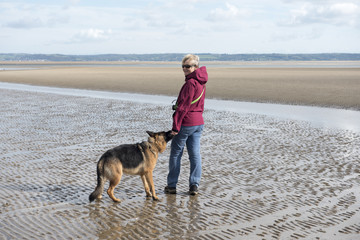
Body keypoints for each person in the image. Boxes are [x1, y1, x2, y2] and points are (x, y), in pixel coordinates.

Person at [165, 54, 208, 195]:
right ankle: (194, 185)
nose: (185, 68)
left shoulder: (190, 83)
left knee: (176, 154)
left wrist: (175, 127)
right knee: (195, 154)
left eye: (188, 66)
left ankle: (171, 186)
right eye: (183, 66)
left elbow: (182, 107)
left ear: (195, 67)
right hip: (198, 122)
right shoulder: (201, 82)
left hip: (187, 123)